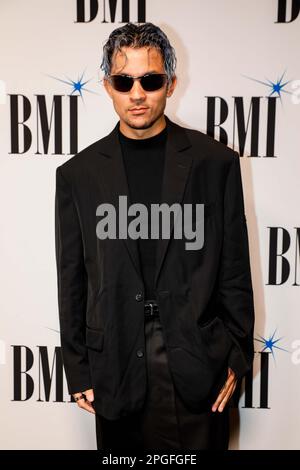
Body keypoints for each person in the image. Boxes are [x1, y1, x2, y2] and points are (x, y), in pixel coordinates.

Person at [54, 22, 255, 450]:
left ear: (171, 83)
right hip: (116, 367)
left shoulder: (214, 164)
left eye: (151, 80)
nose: (138, 93)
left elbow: (234, 270)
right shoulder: (78, 175)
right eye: (125, 81)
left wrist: (236, 355)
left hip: (198, 364)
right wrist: (79, 368)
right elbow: (72, 279)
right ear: (108, 85)